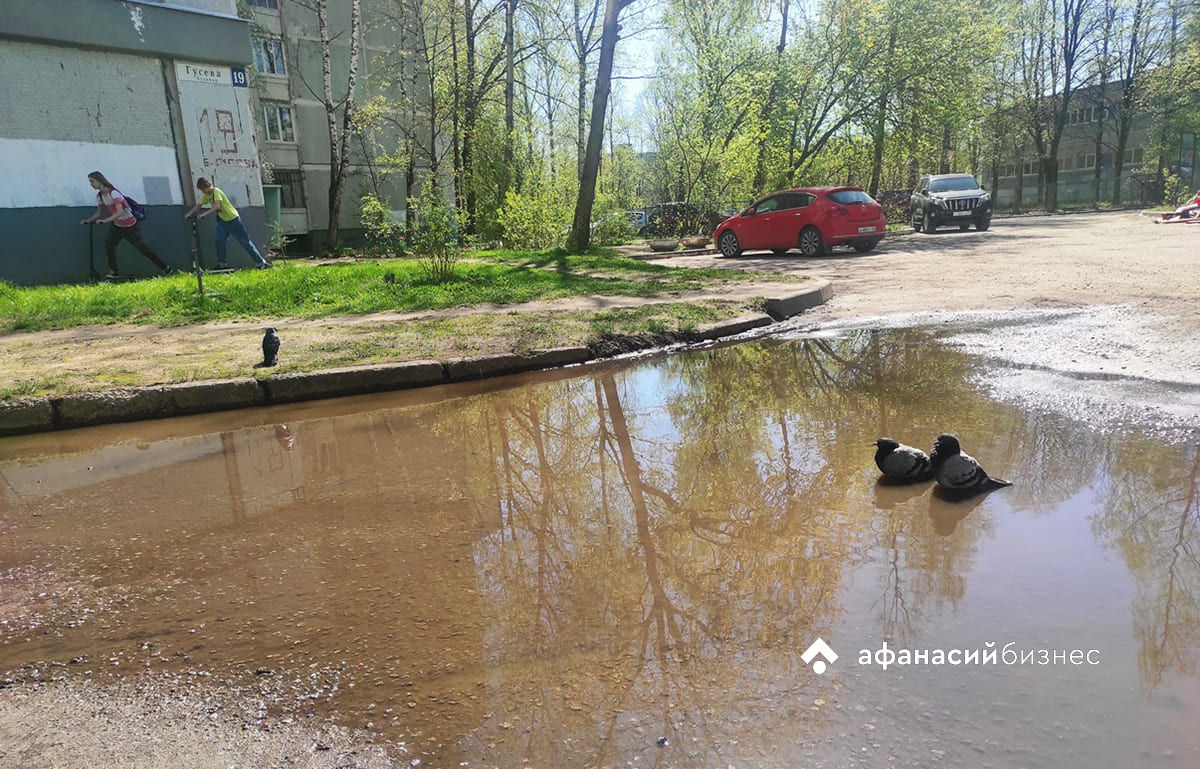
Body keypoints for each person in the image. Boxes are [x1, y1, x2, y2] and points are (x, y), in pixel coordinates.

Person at [79, 171, 173, 278]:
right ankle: (114, 271)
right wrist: (89, 220)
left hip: (130, 225)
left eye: (92, 181)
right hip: (117, 225)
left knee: (143, 249)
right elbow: (99, 212)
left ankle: (166, 269)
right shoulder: (100, 196)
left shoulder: (114, 193)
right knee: (109, 245)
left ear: (100, 181)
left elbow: (120, 212)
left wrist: (105, 221)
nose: (91, 184)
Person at [184, 178, 271, 269]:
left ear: (207, 186)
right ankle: (223, 265)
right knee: (219, 241)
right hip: (223, 222)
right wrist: (189, 214)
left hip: (233, 220)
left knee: (245, 242)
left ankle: (261, 263)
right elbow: (199, 205)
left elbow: (217, 205)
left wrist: (203, 214)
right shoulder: (207, 195)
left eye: (202, 189)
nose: (202, 192)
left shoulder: (216, 192)